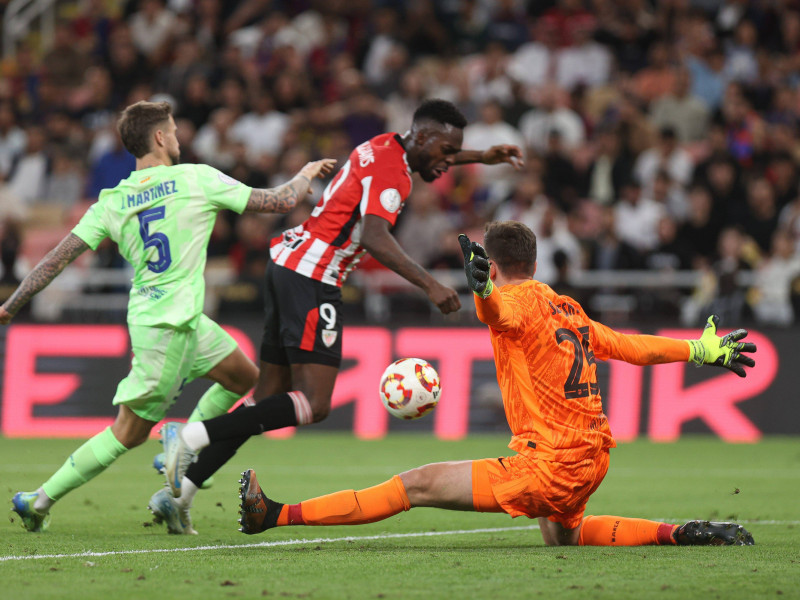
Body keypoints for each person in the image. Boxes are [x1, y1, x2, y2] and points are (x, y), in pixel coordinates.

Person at [237, 221, 756, 547]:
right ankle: (680, 533)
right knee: (562, 536)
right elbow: (629, 346)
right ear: (532, 262)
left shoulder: (514, 303)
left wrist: (482, 289)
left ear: (496, 263)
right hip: (592, 458)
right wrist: (699, 349)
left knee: (415, 484)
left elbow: (496, 310)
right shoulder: (566, 307)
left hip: (550, 464)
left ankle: (275, 515)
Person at [154, 99, 523, 532]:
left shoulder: (386, 144)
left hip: (288, 261)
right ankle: (190, 437)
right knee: (315, 404)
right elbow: (374, 236)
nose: (447, 161)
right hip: (314, 275)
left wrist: (480, 156)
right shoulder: (393, 172)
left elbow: (431, 153)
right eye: (446, 150)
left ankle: (180, 496)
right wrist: (430, 284)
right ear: (422, 138)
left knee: (267, 399)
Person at [5, 100, 336, 533]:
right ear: (159, 137)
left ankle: (185, 448)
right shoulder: (195, 178)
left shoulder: (112, 200)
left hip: (179, 320)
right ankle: (39, 500)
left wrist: (11, 305)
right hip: (164, 330)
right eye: (175, 131)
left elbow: (55, 259)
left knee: (242, 376)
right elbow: (280, 201)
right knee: (128, 432)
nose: (179, 139)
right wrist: (306, 173)